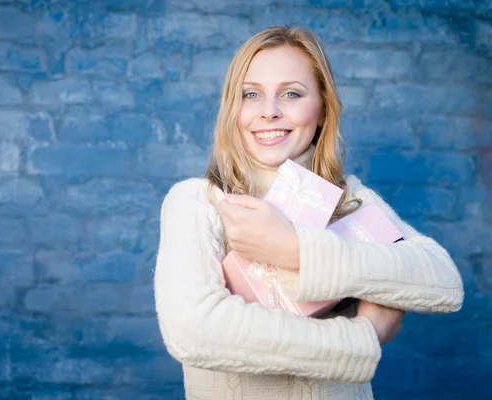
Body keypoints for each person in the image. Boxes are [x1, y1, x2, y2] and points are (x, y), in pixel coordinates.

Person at [154, 26, 464, 400]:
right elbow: (194, 330)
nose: (269, 111)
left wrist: (296, 250)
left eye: (291, 94)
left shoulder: (348, 199)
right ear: (233, 110)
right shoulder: (198, 202)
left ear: (322, 110)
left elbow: (445, 284)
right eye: (251, 94)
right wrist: (363, 339)